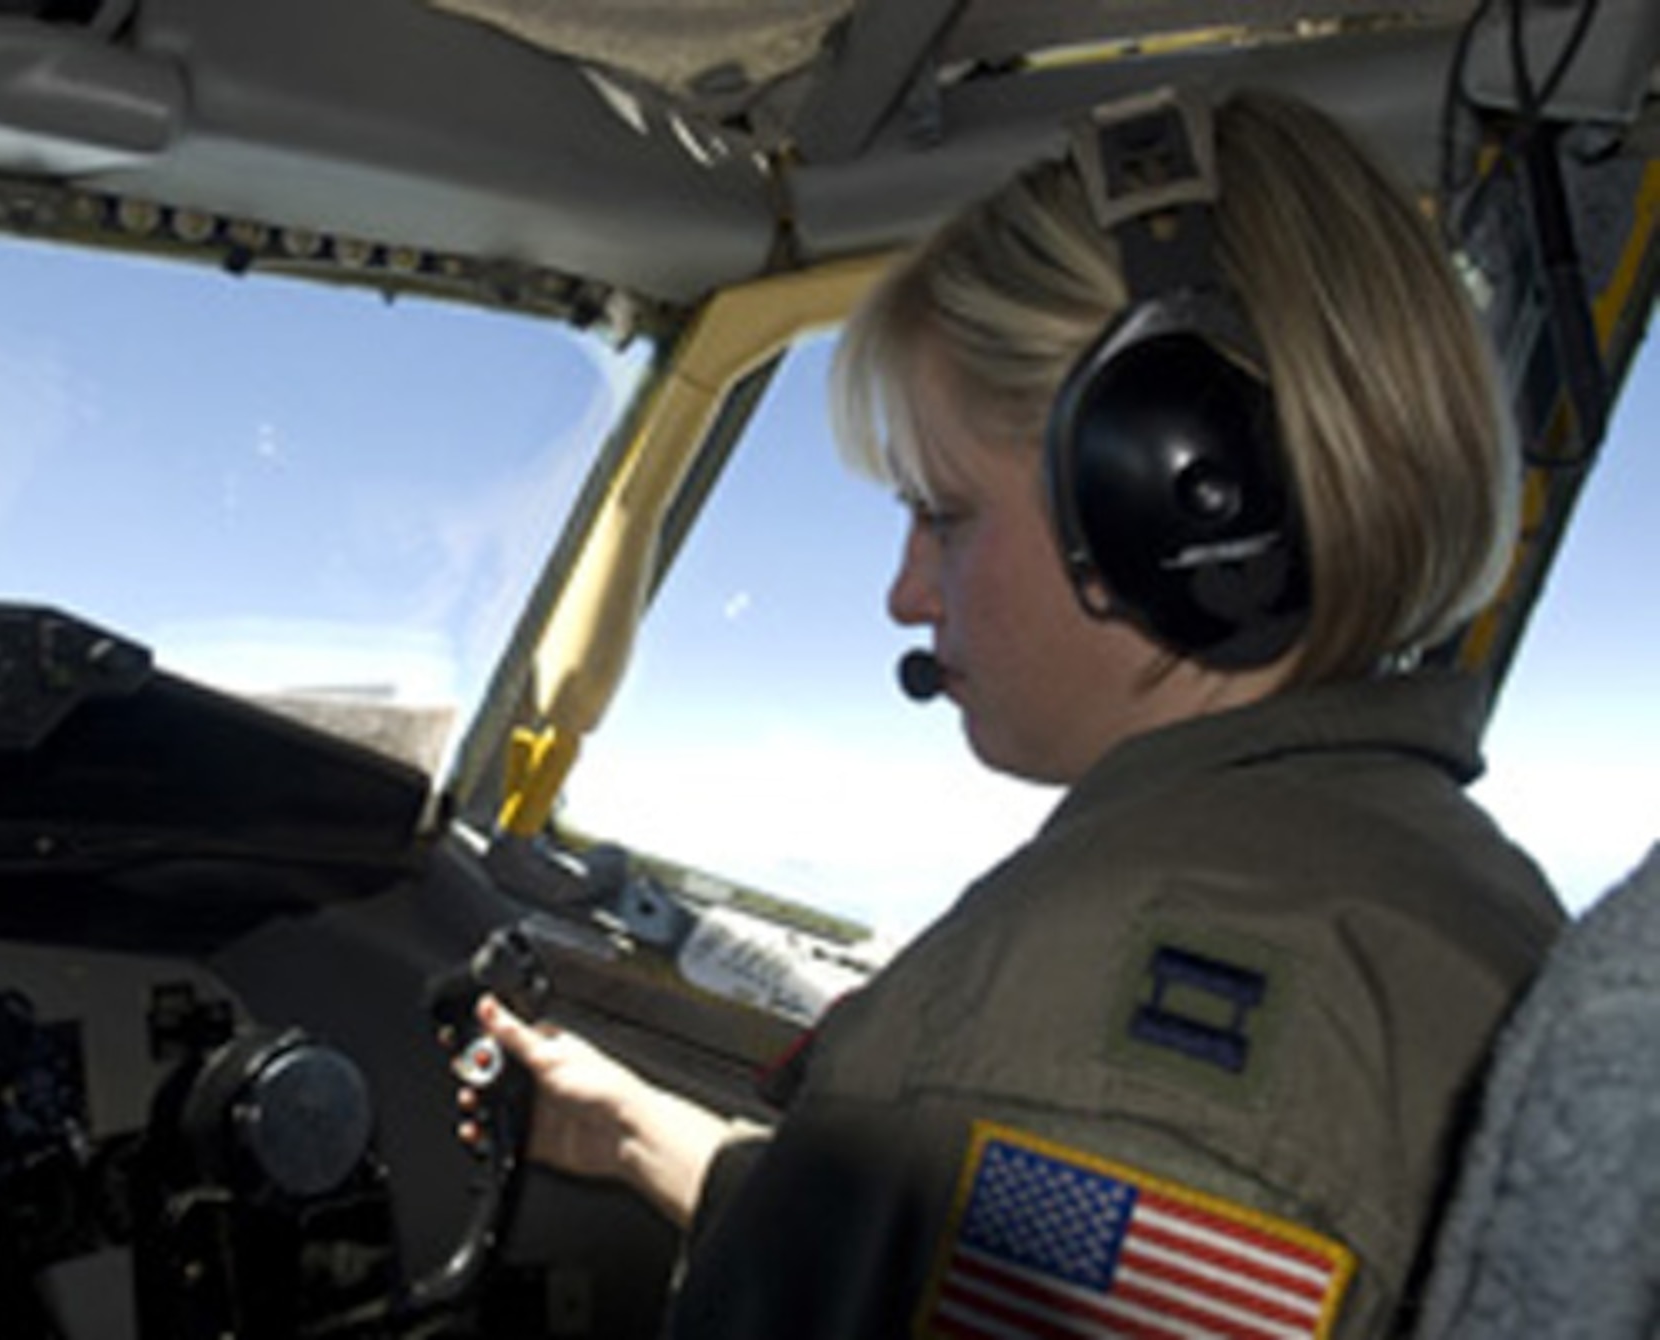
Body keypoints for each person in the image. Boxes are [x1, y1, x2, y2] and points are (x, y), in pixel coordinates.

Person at [462, 85, 1565, 1337]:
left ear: (1180, 503)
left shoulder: (1110, 1027)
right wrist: (633, 1135)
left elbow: (1043, 1164)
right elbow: (980, 1228)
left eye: (943, 515)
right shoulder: (1433, 894)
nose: (902, 593)